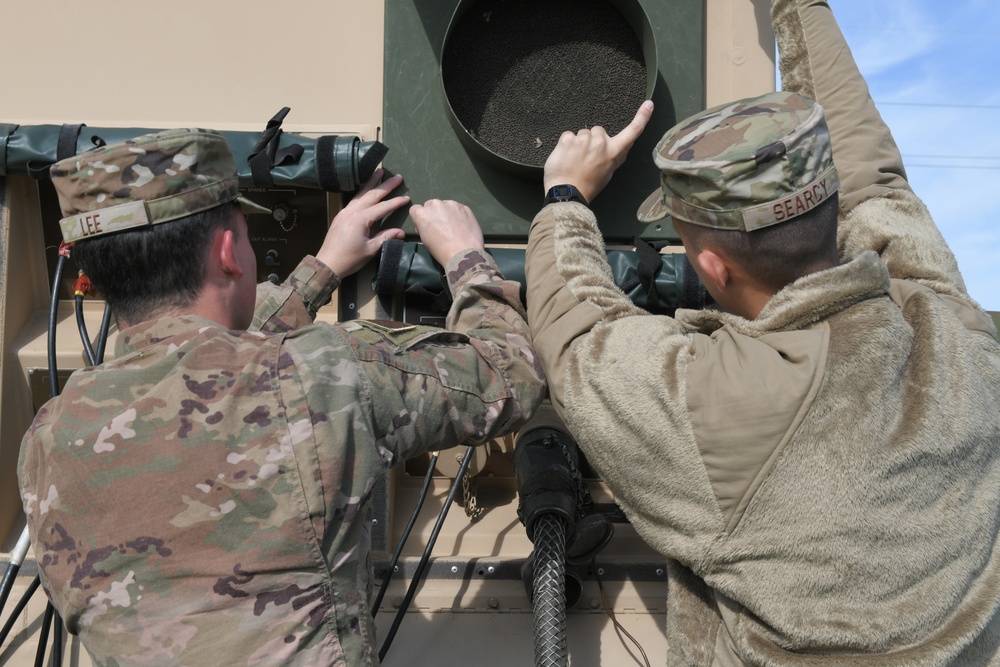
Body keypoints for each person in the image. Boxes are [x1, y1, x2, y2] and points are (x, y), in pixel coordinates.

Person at [524, 0, 1000, 664]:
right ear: (827, 207)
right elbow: (875, 181)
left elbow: (579, 344)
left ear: (713, 266)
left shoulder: (722, 405)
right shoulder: (953, 333)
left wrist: (564, 198)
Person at [18, 128, 545, 665]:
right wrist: (467, 259)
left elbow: (195, 369)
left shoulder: (47, 439)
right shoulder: (320, 372)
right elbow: (509, 376)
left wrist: (322, 271)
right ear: (229, 251)